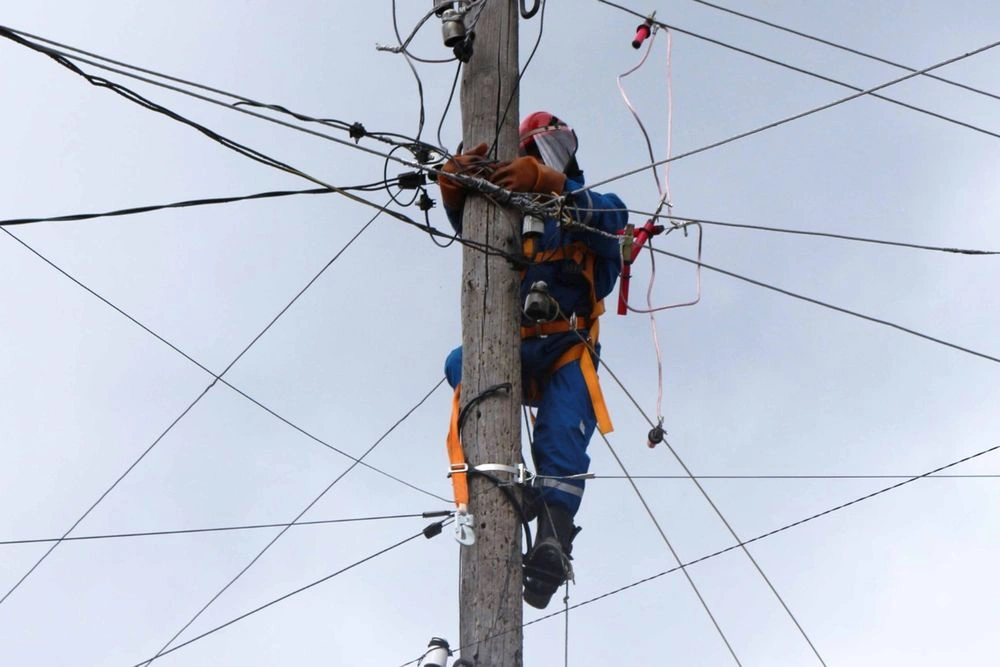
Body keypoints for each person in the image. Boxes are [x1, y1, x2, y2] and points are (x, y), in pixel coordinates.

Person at [439, 111, 627, 609]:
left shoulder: (589, 208)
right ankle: (506, 481)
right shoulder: (505, 209)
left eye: (550, 150)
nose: (541, 159)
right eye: (534, 151)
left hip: (567, 344)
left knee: (563, 430)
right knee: (462, 363)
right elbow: (474, 233)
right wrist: (456, 193)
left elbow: (614, 219)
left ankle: (553, 537)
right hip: (509, 343)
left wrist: (551, 184)